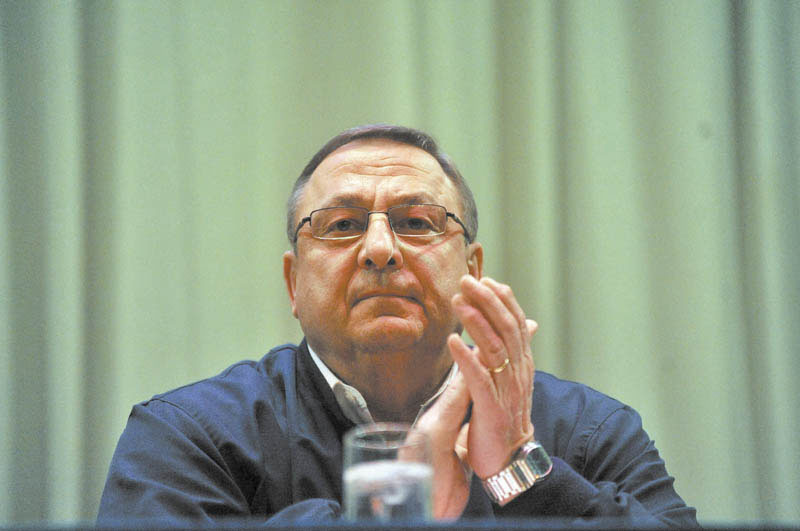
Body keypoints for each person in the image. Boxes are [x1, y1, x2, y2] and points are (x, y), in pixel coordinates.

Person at [97, 124, 698, 527]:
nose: (380, 249)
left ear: (473, 268)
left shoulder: (589, 431)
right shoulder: (192, 436)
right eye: (339, 225)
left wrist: (521, 471)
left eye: (416, 222)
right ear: (292, 284)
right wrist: (400, 509)